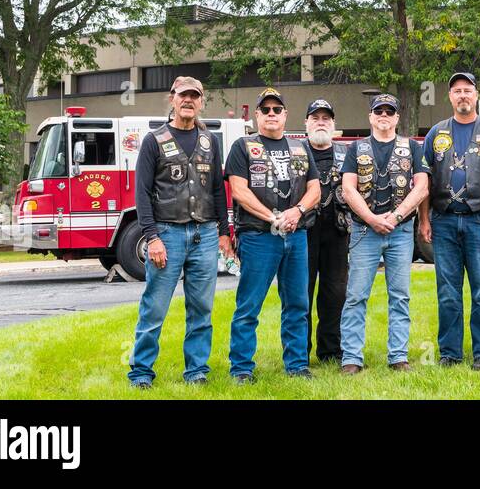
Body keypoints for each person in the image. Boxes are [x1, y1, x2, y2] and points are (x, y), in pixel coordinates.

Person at [126, 76, 231, 388]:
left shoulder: (210, 141)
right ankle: (141, 372)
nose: (188, 101)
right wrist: (152, 237)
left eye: (194, 96)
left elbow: (216, 189)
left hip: (205, 235)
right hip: (167, 234)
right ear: (172, 99)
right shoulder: (153, 140)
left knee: (202, 308)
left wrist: (224, 231)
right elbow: (142, 194)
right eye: (183, 95)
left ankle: (196, 371)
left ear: (201, 101)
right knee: (154, 307)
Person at [225, 88, 321, 383]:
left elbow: (315, 189)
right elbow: (239, 191)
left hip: (296, 236)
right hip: (258, 236)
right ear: (256, 115)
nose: (270, 114)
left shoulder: (300, 148)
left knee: (297, 304)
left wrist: (297, 211)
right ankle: (241, 368)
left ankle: (297, 365)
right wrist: (274, 218)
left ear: (285, 115)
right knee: (249, 305)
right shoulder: (243, 146)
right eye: (264, 109)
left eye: (276, 110)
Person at [419, 72, 480, 370]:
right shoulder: (436, 133)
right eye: (457, 90)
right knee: (447, 290)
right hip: (444, 220)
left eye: (467, 91)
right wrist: (424, 219)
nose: (462, 96)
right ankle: (450, 353)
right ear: (450, 96)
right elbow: (424, 179)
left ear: (476, 95)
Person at [339, 93, 429, 372]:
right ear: (371, 116)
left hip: (401, 231)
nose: (384, 116)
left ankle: (398, 356)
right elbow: (348, 188)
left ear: (397, 118)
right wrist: (371, 218)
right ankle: (352, 358)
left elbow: (422, 187)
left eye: (390, 112)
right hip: (365, 231)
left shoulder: (412, 147)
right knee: (355, 295)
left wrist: (397, 215)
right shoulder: (357, 148)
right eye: (379, 111)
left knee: (400, 295)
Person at [302, 98, 349, 365]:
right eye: (315, 117)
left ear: (333, 124)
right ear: (306, 123)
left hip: (338, 232)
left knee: (335, 294)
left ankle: (331, 351)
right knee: (301, 293)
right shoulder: (297, 151)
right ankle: (300, 352)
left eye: (326, 118)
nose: (321, 122)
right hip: (304, 232)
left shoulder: (347, 153)